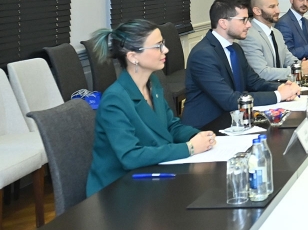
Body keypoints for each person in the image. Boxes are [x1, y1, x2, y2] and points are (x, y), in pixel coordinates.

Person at [87, 20, 217, 196]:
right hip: (117, 191)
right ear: (133, 56)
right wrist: (189, 148)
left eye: (163, 43)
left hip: (149, 176)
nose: (166, 50)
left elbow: (171, 126)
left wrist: (198, 136)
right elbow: (130, 156)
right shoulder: (114, 100)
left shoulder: (152, 83)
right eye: (158, 46)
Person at [182, 0, 300, 129]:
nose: (249, 25)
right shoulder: (203, 55)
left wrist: (281, 87)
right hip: (206, 127)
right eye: (243, 20)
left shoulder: (235, 48)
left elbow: (254, 82)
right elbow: (229, 100)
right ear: (223, 23)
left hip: (235, 120)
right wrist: (278, 95)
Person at [243, 0, 308, 81]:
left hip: (284, 85)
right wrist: (298, 70)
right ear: (257, 11)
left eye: (277, 6)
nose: (278, 11)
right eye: (272, 7)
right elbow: (262, 73)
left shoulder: (276, 33)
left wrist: (307, 65)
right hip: (267, 88)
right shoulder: (249, 36)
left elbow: (288, 58)